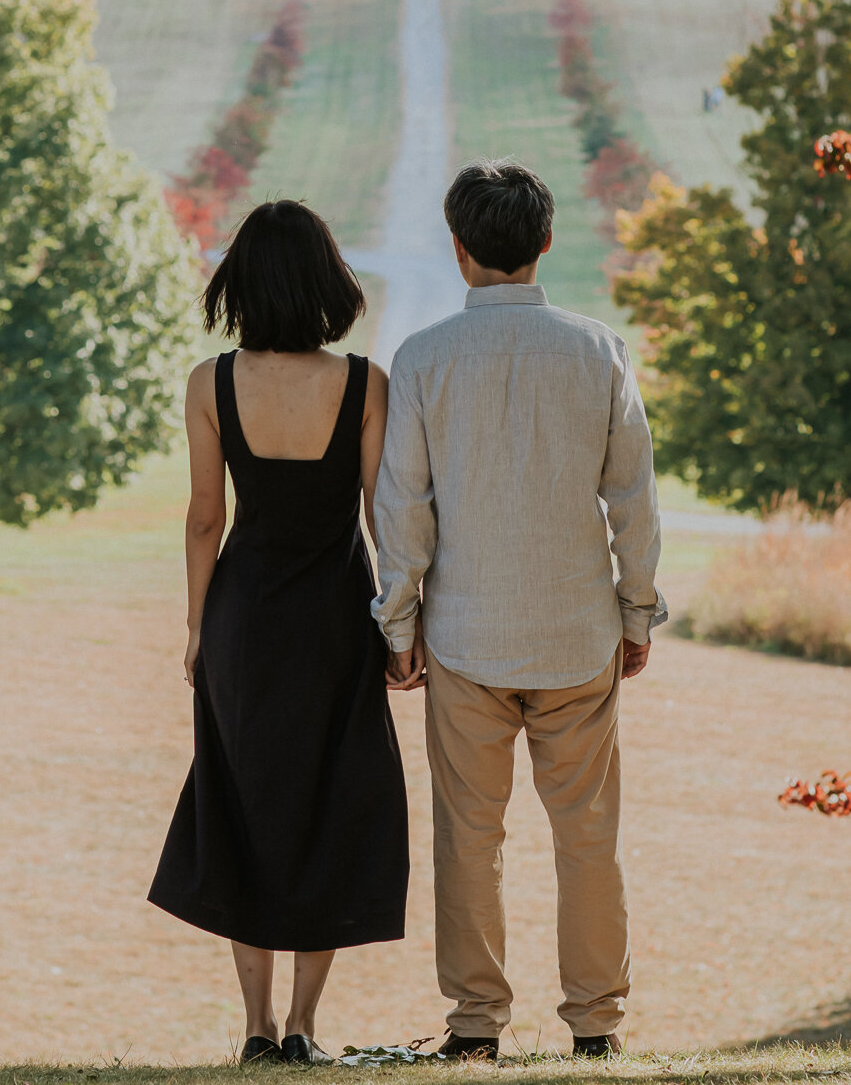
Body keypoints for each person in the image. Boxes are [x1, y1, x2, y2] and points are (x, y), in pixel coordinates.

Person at [373, 160, 664, 1059]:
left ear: (459, 252)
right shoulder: (600, 350)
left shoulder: (421, 359)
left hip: (464, 637)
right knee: (588, 838)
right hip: (579, 634)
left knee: (469, 838)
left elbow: (404, 509)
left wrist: (397, 624)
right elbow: (634, 501)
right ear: (546, 241)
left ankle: (474, 1027)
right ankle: (596, 1028)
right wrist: (637, 612)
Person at [150, 200, 410, 1066]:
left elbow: (202, 520)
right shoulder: (366, 385)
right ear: (327, 281)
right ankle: (304, 1026)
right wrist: (400, 630)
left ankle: (255, 1027)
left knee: (245, 803)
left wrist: (196, 630)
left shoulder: (210, 384)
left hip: (244, 625)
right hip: (338, 621)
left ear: (243, 286)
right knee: (330, 804)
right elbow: (385, 520)